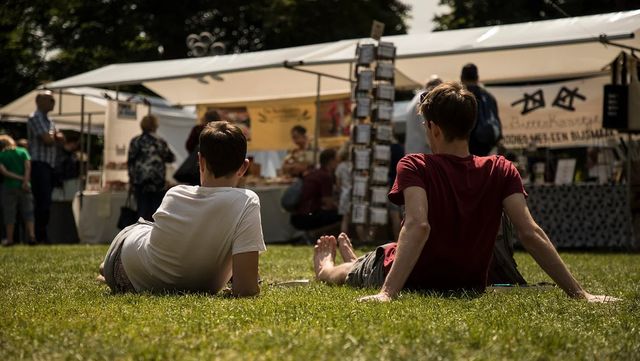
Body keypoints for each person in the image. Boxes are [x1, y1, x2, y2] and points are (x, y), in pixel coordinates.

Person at [313, 82, 619, 303]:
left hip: (409, 275)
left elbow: (418, 225)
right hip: (467, 281)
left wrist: (387, 293)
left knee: (345, 273)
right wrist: (581, 294)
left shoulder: (415, 165)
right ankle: (358, 259)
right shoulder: (501, 168)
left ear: (432, 128)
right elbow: (530, 232)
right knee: (380, 254)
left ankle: (328, 266)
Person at [99, 121, 266, 296]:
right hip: (133, 261)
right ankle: (106, 268)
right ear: (244, 167)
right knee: (146, 229)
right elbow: (246, 290)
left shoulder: (176, 193)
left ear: (200, 161)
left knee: (146, 229)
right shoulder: (247, 201)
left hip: (130, 268)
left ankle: (106, 268)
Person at [27, 91, 63, 244]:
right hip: (39, 165)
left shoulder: (50, 121)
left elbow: (60, 139)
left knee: (46, 202)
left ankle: (41, 235)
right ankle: (37, 236)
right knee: (41, 202)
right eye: (50, 100)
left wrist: (54, 136)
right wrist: (55, 136)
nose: (53, 102)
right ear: (39, 101)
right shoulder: (35, 117)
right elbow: (48, 139)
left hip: (49, 166)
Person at [127, 114, 175, 221]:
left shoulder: (135, 141)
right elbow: (171, 158)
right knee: (157, 212)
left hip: (140, 182)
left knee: (142, 211)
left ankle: (139, 234)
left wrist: (131, 180)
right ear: (155, 126)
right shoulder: (160, 142)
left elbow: (130, 162)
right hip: (157, 182)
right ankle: (155, 235)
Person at [291, 148, 341, 232]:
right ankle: (319, 236)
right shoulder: (325, 177)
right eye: (337, 161)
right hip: (309, 217)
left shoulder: (313, 173)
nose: (338, 164)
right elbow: (328, 203)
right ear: (331, 161)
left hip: (297, 215)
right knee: (342, 216)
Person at [0, 135, 36, 246]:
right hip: (25, 186)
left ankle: (10, 239)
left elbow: (4, 172)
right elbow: (28, 167)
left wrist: (18, 178)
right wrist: (25, 180)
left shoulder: (1, 155)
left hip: (9, 186)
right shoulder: (22, 151)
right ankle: (31, 236)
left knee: (9, 213)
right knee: (28, 212)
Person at [460, 63, 502, 156]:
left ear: (461, 78)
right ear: (477, 78)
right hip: (485, 148)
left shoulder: (458, 96)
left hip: (463, 148)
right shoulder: (488, 96)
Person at [404, 76, 442, 155]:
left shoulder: (415, 99)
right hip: (423, 153)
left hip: (412, 150)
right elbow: (426, 127)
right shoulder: (424, 99)